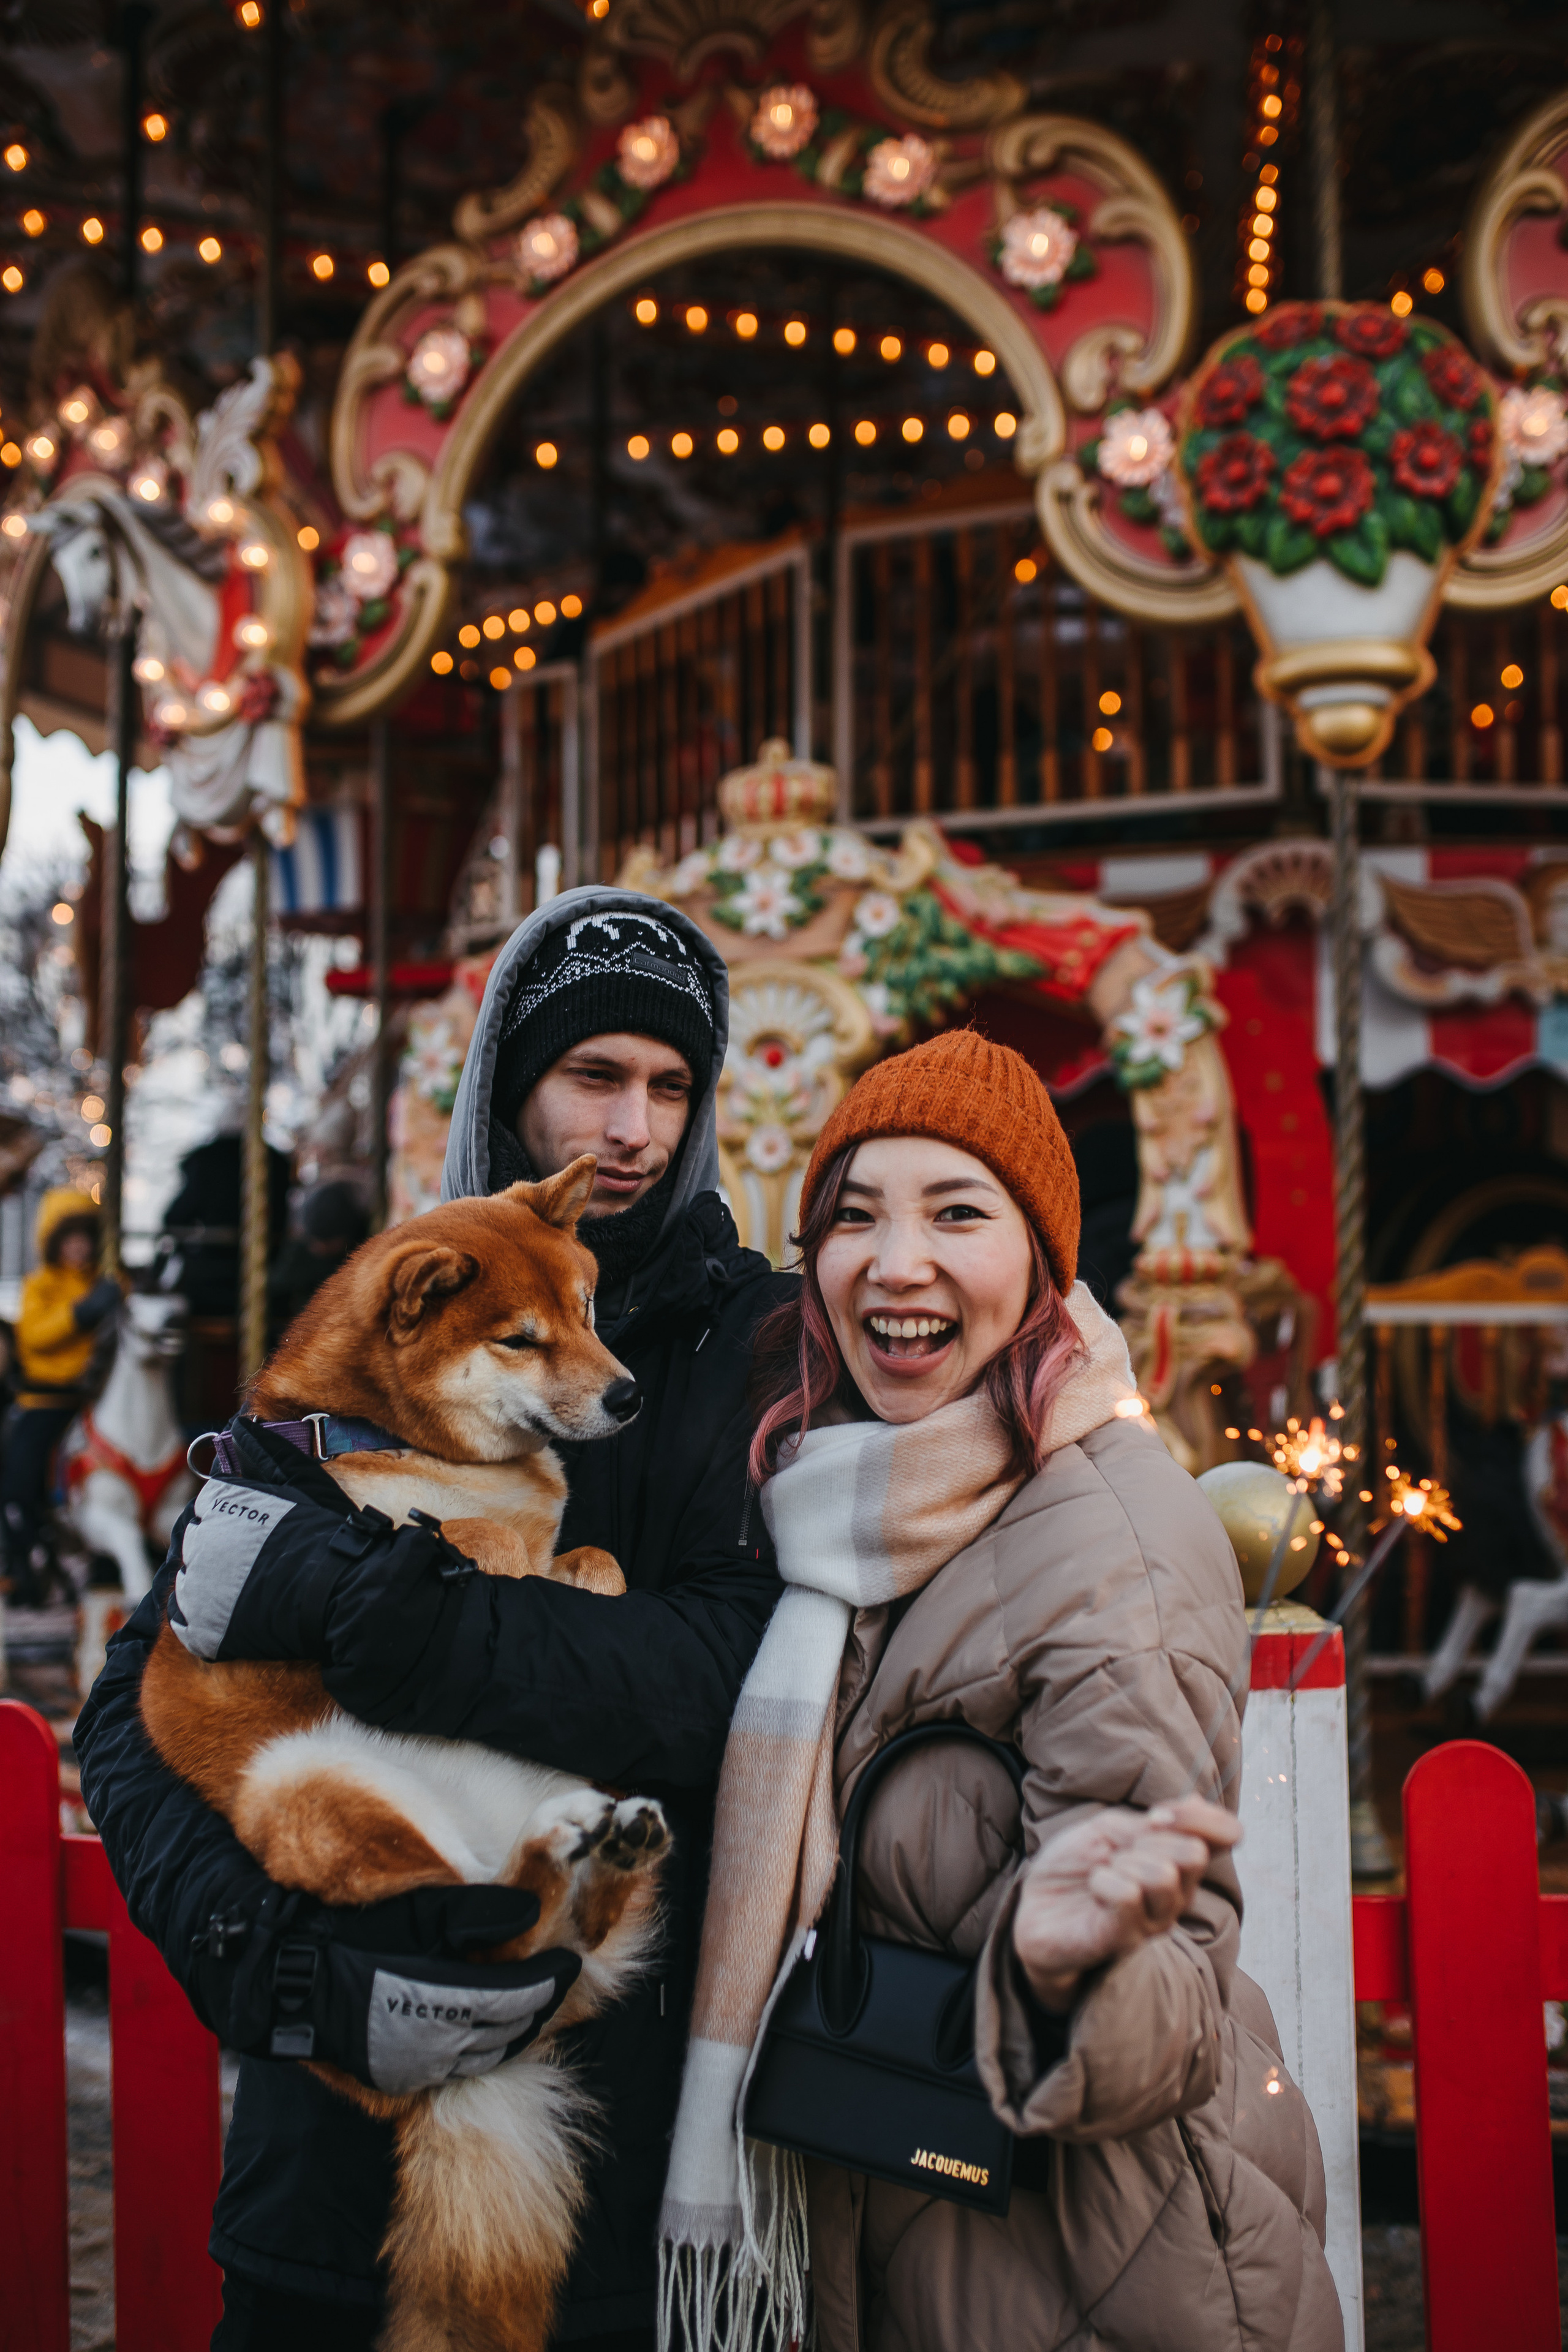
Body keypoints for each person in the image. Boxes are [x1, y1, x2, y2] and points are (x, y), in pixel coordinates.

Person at [74, 888, 790, 2352]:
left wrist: (397, 1616)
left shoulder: (755, 1344)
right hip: (323, 2161)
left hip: (626, 2148)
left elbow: (721, 1675)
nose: (633, 1129)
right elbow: (141, 1689)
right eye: (592, 1075)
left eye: (671, 1086)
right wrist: (265, 1952)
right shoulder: (382, 1316)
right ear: (510, 1087)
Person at [659, 1028, 1340, 2352]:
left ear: (1040, 1262)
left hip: (1094, 2273)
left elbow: (1174, 2002)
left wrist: (1072, 1970)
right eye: (854, 1216)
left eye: (957, 1213)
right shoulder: (850, 1505)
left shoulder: (1109, 1547)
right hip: (916, 2240)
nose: (895, 1261)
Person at [2, 1188, 120, 1604]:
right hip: (47, 1402)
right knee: (19, 1486)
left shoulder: (106, 1282)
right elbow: (34, 1336)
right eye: (70, 1238)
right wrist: (82, 1314)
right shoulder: (40, 1286)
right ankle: (23, 1565)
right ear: (53, 1242)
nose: (80, 1246)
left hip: (92, 1399)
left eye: (86, 1237)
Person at [266, 1178, 370, 1336]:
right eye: (316, 1241)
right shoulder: (301, 1253)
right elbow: (276, 1284)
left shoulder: (360, 1247)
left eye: (327, 1242)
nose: (319, 1248)